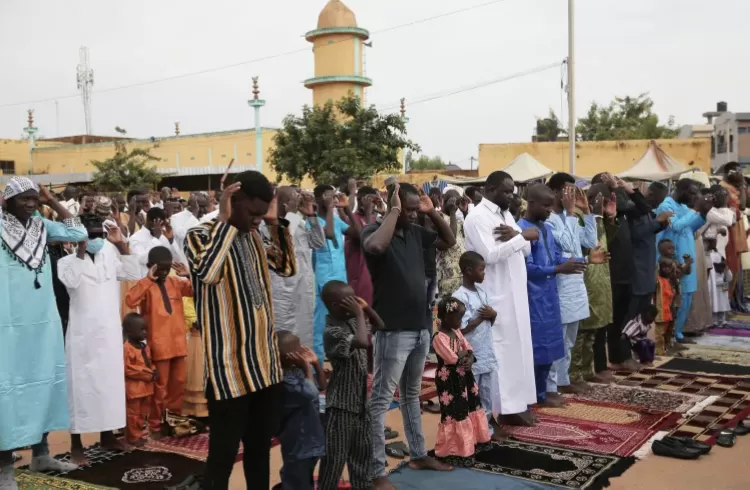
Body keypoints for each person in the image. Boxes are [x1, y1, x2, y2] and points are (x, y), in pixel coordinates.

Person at [185, 171, 296, 490]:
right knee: (222, 456)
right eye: (253, 213)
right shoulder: (199, 235)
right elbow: (207, 272)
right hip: (229, 373)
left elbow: (287, 267)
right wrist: (226, 222)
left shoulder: (255, 235)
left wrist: (274, 223)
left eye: (262, 215)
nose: (257, 221)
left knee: (260, 452)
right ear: (232, 201)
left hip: (264, 368)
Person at [362, 182, 455, 490]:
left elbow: (449, 240)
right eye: (410, 209)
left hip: (419, 328)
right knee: (380, 403)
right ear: (393, 207)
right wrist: (394, 211)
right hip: (393, 331)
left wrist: (433, 212)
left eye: (417, 209)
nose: (414, 215)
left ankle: (417, 455)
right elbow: (375, 248)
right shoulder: (374, 233)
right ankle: (376, 472)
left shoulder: (416, 232)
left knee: (412, 396)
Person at [0, 177, 86, 489]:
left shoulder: (42, 226)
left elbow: (78, 232)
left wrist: (53, 201)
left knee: (45, 383)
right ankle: (4, 470)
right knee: (7, 390)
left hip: (43, 319)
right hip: (7, 323)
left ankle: (42, 454)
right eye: (23, 198)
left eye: (34, 198)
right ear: (7, 201)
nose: (31, 203)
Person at [57, 213, 141, 463]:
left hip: (108, 333)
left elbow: (132, 272)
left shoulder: (109, 253)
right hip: (83, 335)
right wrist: (81, 251)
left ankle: (108, 436)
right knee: (80, 389)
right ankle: (77, 445)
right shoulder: (67, 262)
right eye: (89, 234)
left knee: (108, 387)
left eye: (97, 234)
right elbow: (70, 281)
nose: (94, 238)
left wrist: (120, 243)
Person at [463, 171, 537, 427]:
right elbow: (489, 256)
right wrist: (520, 237)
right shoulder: (477, 217)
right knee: (500, 353)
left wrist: (519, 238)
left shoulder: (505, 214)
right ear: (490, 189)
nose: (511, 196)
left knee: (518, 351)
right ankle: (497, 412)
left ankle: (515, 406)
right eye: (506, 191)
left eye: (512, 191)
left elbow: (527, 248)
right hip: (496, 294)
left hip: (516, 290)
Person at [518, 184, 587, 407]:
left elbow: (557, 256)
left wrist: (583, 261)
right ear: (531, 203)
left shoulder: (545, 229)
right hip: (532, 297)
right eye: (546, 206)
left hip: (550, 296)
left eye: (550, 205)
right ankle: (535, 395)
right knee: (536, 348)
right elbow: (527, 269)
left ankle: (544, 393)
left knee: (551, 345)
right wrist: (558, 269)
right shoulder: (522, 229)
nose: (549, 210)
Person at [318, 281, 384, 490]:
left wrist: (365, 309)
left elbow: (380, 326)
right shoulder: (332, 331)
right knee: (334, 459)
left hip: (360, 402)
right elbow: (363, 342)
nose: (355, 302)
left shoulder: (355, 321)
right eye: (350, 300)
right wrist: (358, 314)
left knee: (362, 455)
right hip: (341, 405)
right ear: (337, 306)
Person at [125, 246, 193, 437]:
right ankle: (155, 425)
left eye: (167, 268)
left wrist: (187, 275)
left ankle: (174, 421)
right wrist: (148, 279)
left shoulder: (175, 282)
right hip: (159, 345)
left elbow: (197, 291)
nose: (164, 272)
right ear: (150, 267)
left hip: (179, 343)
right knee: (160, 387)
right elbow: (130, 300)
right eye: (160, 269)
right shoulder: (145, 285)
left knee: (178, 384)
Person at [545, 173, 599, 395]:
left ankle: (564, 380)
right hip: (561, 285)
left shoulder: (571, 217)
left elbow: (590, 242)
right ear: (556, 192)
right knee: (559, 339)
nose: (573, 195)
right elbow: (566, 243)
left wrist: (587, 213)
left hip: (576, 285)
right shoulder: (549, 220)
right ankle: (553, 385)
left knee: (570, 340)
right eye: (568, 190)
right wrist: (569, 212)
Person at [432, 296, 492, 457]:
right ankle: (455, 448)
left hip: (465, 376)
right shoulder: (439, 338)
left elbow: (468, 347)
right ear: (446, 317)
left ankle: (474, 439)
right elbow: (451, 358)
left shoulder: (457, 332)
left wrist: (469, 358)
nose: (461, 320)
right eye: (458, 316)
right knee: (456, 410)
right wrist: (464, 355)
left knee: (470, 405)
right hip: (449, 382)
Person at [266, 187, 325, 349]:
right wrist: (291, 213)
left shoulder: (299, 222)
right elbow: (283, 240)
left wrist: (311, 214)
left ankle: (303, 369)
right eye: (295, 199)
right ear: (284, 204)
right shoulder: (269, 225)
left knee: (304, 334)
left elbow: (318, 243)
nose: (298, 202)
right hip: (282, 291)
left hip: (302, 288)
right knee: (283, 335)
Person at [312, 184, 363, 366]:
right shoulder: (311, 221)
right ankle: (318, 370)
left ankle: (343, 363)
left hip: (340, 281)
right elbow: (329, 233)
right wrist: (331, 208)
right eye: (328, 196)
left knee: (344, 323)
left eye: (333, 196)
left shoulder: (335, 219)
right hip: (323, 284)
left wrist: (347, 208)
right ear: (318, 199)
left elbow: (359, 234)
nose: (332, 199)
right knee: (320, 326)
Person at [656, 178, 711, 341]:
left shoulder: (684, 207)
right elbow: (675, 226)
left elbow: (691, 228)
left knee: (686, 298)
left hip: (687, 260)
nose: (694, 197)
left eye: (696, 194)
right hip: (671, 262)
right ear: (680, 190)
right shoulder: (665, 206)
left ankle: (678, 333)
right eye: (692, 193)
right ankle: (668, 335)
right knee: (672, 299)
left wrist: (703, 213)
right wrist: (695, 210)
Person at [452, 251, 499, 434]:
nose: (484, 273)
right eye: (481, 270)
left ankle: (485, 429)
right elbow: (459, 329)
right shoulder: (459, 296)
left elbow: (490, 321)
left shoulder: (481, 292)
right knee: (471, 393)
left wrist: (493, 315)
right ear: (468, 270)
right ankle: (470, 431)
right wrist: (480, 318)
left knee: (486, 393)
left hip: (486, 350)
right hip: (471, 354)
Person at [275, 331, 327, 490]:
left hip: (313, 440)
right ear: (287, 357)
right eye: (298, 351)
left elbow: (322, 387)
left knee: (303, 478)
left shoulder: (295, 371)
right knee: (296, 478)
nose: (303, 353)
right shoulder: (284, 381)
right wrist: (306, 366)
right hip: (298, 444)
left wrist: (316, 364)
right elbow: (311, 392)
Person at [575, 185, 616, 385]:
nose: (604, 205)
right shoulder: (578, 217)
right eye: (602, 200)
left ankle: (588, 370)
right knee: (582, 332)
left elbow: (606, 243)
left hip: (599, 277)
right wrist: (596, 216)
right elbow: (592, 242)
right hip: (586, 277)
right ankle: (577, 374)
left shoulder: (593, 216)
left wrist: (608, 218)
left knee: (592, 332)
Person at [123, 313, 156, 446]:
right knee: (133, 414)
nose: (145, 332)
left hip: (146, 387)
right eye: (141, 329)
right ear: (130, 331)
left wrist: (154, 370)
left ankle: (138, 434)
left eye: (145, 329)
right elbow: (128, 369)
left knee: (143, 413)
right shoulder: (127, 348)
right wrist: (149, 374)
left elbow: (149, 362)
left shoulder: (144, 347)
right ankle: (133, 437)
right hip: (134, 388)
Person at [345, 186, 379, 306]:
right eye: (371, 201)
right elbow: (365, 239)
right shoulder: (351, 219)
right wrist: (368, 213)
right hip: (357, 273)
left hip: (372, 273)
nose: (373, 205)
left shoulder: (376, 219)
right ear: (360, 201)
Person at [720, 162, 748, 305]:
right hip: (727, 228)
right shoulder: (722, 188)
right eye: (735, 172)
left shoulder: (736, 187)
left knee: (736, 266)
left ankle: (731, 301)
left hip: (737, 227)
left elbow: (743, 205)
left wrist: (742, 184)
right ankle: (725, 302)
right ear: (727, 173)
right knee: (729, 265)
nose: (738, 174)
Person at [129, 207, 174, 277]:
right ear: (150, 222)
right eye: (160, 224)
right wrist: (156, 239)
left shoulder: (162, 237)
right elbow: (141, 260)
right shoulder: (135, 238)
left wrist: (170, 238)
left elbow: (169, 257)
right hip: (145, 280)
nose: (162, 228)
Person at [182, 294, 208, 418]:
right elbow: (193, 320)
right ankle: (196, 412)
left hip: (210, 340)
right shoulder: (188, 297)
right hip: (196, 340)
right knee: (197, 374)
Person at [654, 257, 677, 356]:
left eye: (669, 267)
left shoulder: (670, 281)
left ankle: (666, 349)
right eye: (664, 267)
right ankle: (659, 352)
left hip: (669, 311)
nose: (667, 269)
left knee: (668, 332)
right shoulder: (658, 280)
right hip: (660, 312)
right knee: (659, 334)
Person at [709, 252, 733, 326]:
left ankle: (722, 321)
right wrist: (721, 282)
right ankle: (714, 322)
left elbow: (729, 278)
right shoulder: (712, 270)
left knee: (723, 306)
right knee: (715, 306)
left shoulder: (724, 268)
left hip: (723, 290)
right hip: (715, 291)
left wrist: (727, 270)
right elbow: (713, 281)